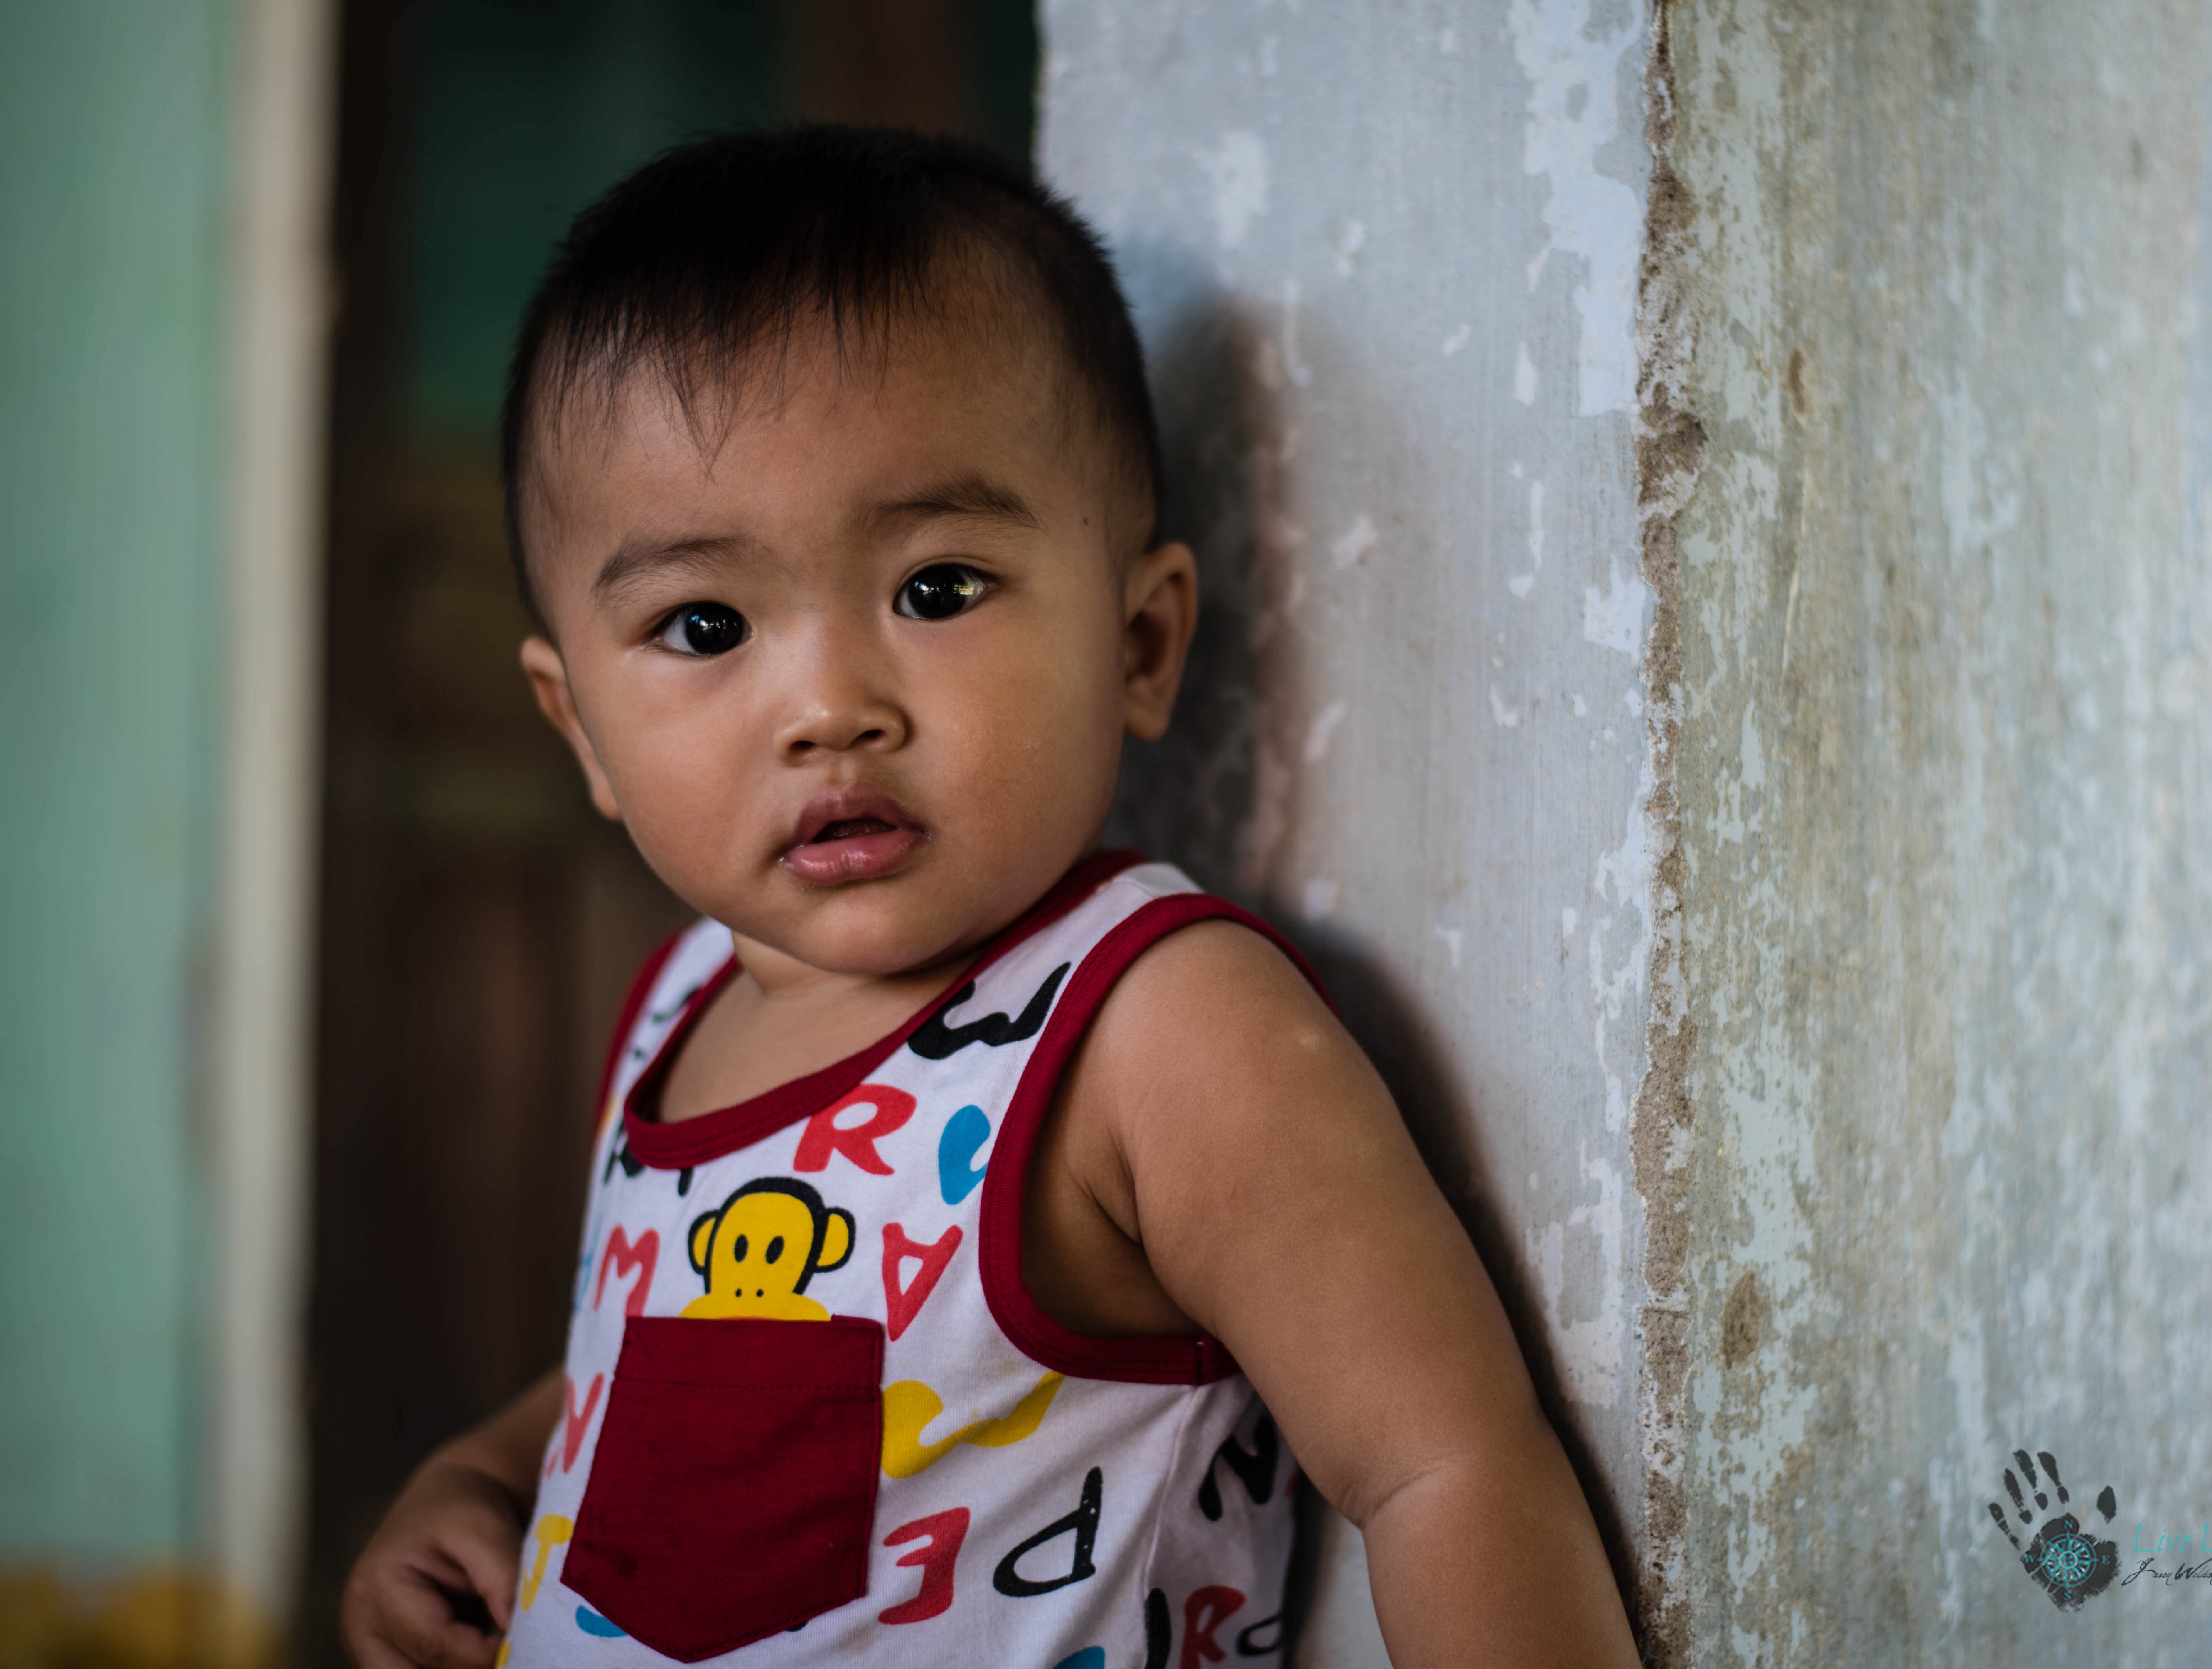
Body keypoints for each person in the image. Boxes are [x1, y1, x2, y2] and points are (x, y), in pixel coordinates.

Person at [339, 126, 1640, 1669]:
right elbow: (684, 1372)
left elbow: (1442, 1464)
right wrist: (487, 1475)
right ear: (582, 734)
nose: (829, 706)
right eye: (705, 625)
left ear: (1140, 646)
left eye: (936, 589)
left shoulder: (1152, 1030)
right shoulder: (681, 1006)